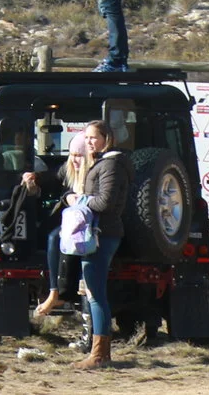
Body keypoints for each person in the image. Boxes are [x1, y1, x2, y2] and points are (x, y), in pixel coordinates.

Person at [27, 129, 97, 322]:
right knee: (50, 236)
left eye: (79, 156)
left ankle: (57, 293)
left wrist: (79, 199)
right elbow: (53, 177)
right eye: (72, 155)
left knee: (56, 238)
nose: (74, 160)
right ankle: (54, 291)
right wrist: (34, 177)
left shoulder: (96, 172)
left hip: (92, 224)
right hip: (73, 222)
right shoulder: (69, 169)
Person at [75, 121, 128, 371]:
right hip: (97, 233)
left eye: (93, 138)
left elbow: (105, 202)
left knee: (96, 295)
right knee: (95, 293)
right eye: (86, 138)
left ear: (107, 138)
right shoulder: (104, 162)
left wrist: (80, 200)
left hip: (102, 234)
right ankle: (100, 352)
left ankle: (100, 354)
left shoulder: (111, 165)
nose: (89, 142)